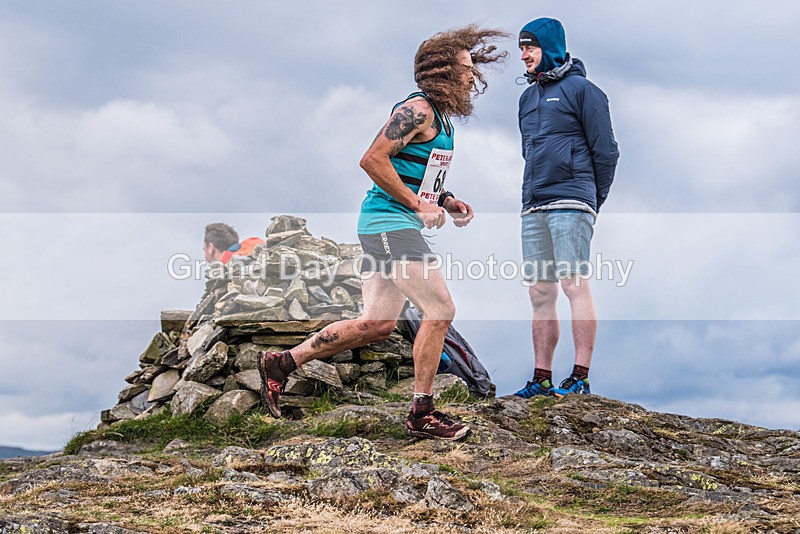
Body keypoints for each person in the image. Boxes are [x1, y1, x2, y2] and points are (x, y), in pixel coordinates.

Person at [257, 25, 508, 441]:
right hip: (389, 224)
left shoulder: (441, 119)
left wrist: (445, 201)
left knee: (376, 324)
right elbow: (373, 160)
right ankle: (421, 414)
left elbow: (416, 174)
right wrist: (417, 205)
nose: (473, 77)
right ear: (442, 72)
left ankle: (282, 363)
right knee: (441, 310)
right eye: (466, 68)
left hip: (390, 225)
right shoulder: (418, 110)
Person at [512, 18, 619, 399]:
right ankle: (541, 378)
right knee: (540, 292)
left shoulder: (584, 91)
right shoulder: (526, 99)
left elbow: (606, 152)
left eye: (530, 47)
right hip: (533, 203)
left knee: (574, 283)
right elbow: (529, 151)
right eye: (522, 47)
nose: (523, 54)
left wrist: (592, 199)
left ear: (550, 47)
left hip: (573, 198)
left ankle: (580, 376)